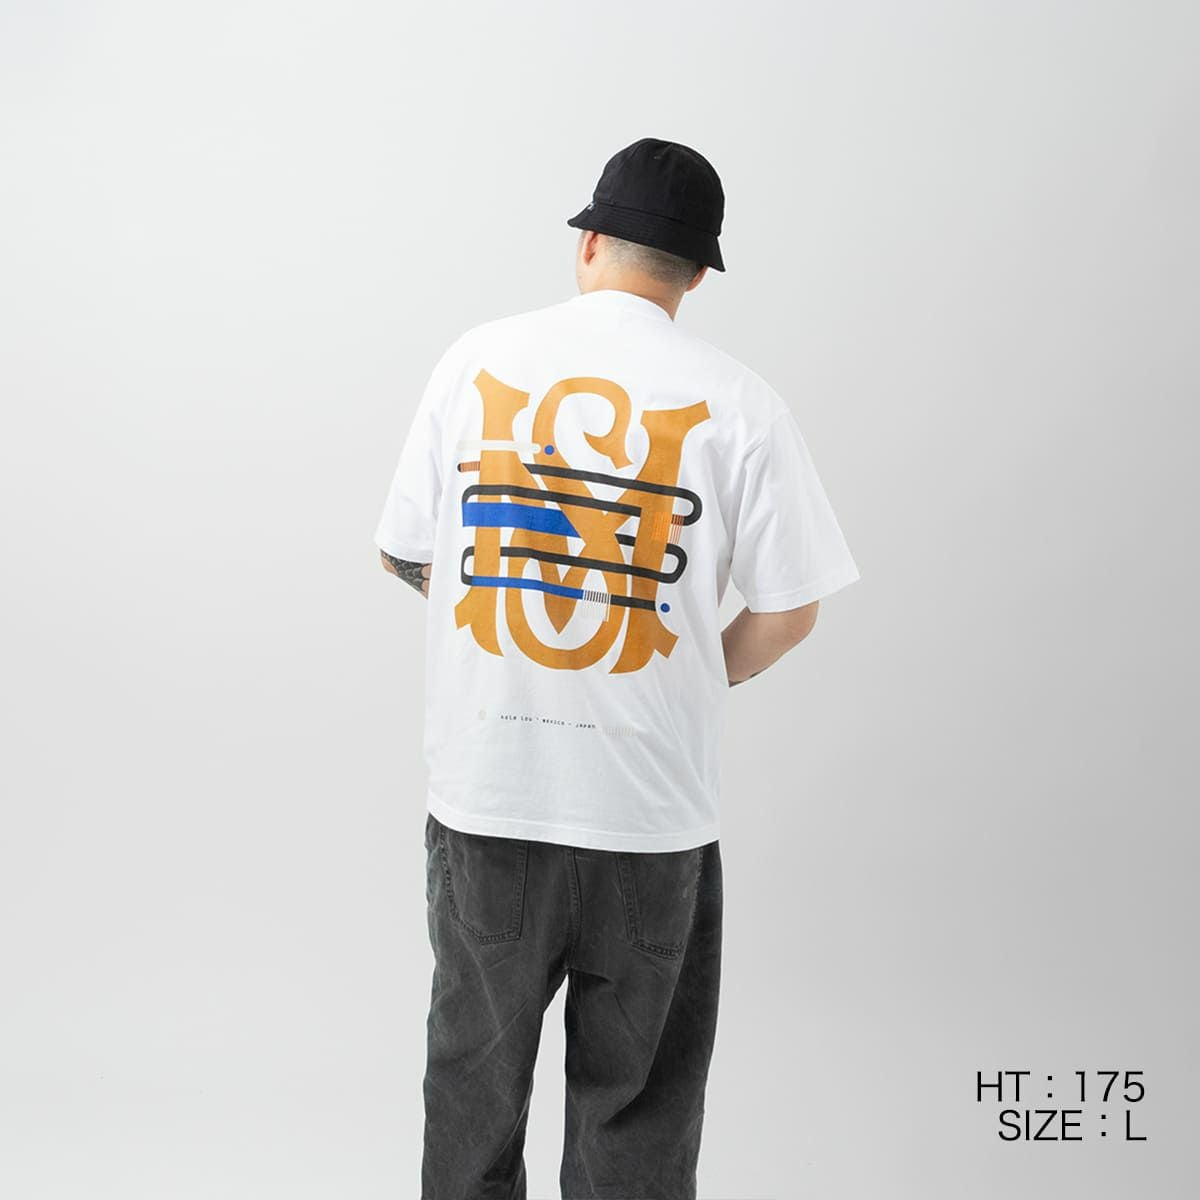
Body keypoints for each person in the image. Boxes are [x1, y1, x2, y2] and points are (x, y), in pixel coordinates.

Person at [373, 136, 860, 1199]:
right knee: (636, 1115)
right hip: (650, 818)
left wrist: (504, 620)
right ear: (696, 276)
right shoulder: (741, 404)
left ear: (589, 242)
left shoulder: (475, 361)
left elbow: (406, 550)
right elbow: (790, 611)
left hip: (490, 801)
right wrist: (693, 671)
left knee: (472, 1095)